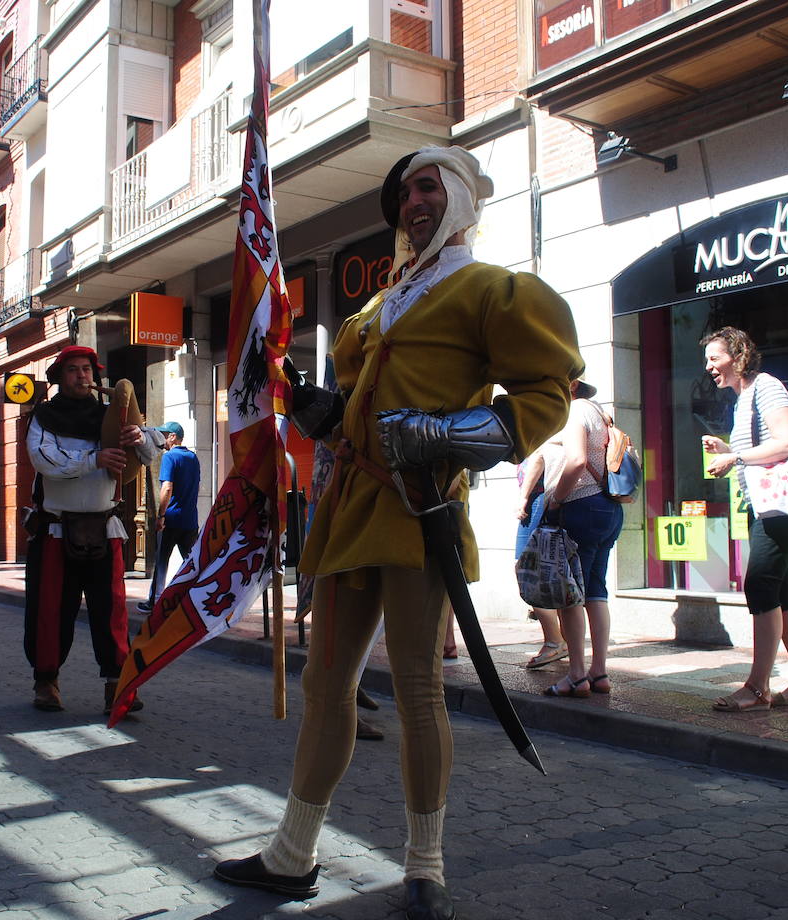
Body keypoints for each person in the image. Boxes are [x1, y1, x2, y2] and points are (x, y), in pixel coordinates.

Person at [213, 146, 582, 920]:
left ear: (460, 196)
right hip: (350, 506)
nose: (411, 201)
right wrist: (322, 411)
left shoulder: (495, 290)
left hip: (421, 512)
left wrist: (445, 435)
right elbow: (358, 399)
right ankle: (292, 854)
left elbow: (545, 396)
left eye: (426, 185)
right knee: (324, 685)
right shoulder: (382, 302)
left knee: (418, 690)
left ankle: (425, 869)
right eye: (403, 193)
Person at [23, 344, 161, 714]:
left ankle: (118, 685)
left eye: (87, 369)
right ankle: (46, 681)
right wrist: (94, 459)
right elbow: (43, 459)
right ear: (60, 377)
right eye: (73, 370)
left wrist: (139, 438)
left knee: (112, 610)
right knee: (52, 609)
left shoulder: (110, 415)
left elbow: (149, 452)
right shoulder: (44, 418)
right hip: (56, 530)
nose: (82, 376)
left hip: (104, 528)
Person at [700, 326, 788, 711]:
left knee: (761, 584)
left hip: (783, 507)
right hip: (768, 504)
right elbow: (762, 448)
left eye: (715, 358)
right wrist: (727, 447)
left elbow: (786, 441)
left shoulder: (766, 386)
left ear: (738, 356)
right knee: (781, 591)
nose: (710, 367)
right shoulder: (744, 398)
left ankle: (757, 688)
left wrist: (734, 456)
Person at [542, 380, 625, 698]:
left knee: (570, 594)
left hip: (581, 506)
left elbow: (576, 460)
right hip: (608, 508)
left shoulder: (574, 412)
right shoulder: (599, 412)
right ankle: (598, 671)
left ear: (569, 386)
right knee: (595, 590)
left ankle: (576, 676)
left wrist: (556, 500)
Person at [137, 421, 200, 613]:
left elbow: (167, 488)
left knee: (161, 561)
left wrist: (160, 516)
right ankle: (196, 601)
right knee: (192, 564)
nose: (162, 439)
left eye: (165, 434)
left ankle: (154, 602)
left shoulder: (170, 457)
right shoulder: (193, 457)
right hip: (190, 520)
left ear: (173, 437)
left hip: (171, 519)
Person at [515, 444, 566, 669]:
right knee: (556, 573)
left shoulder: (543, 428)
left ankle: (554, 641)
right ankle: (561, 639)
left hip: (538, 499)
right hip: (553, 499)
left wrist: (523, 497)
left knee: (526, 570)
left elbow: (538, 457)